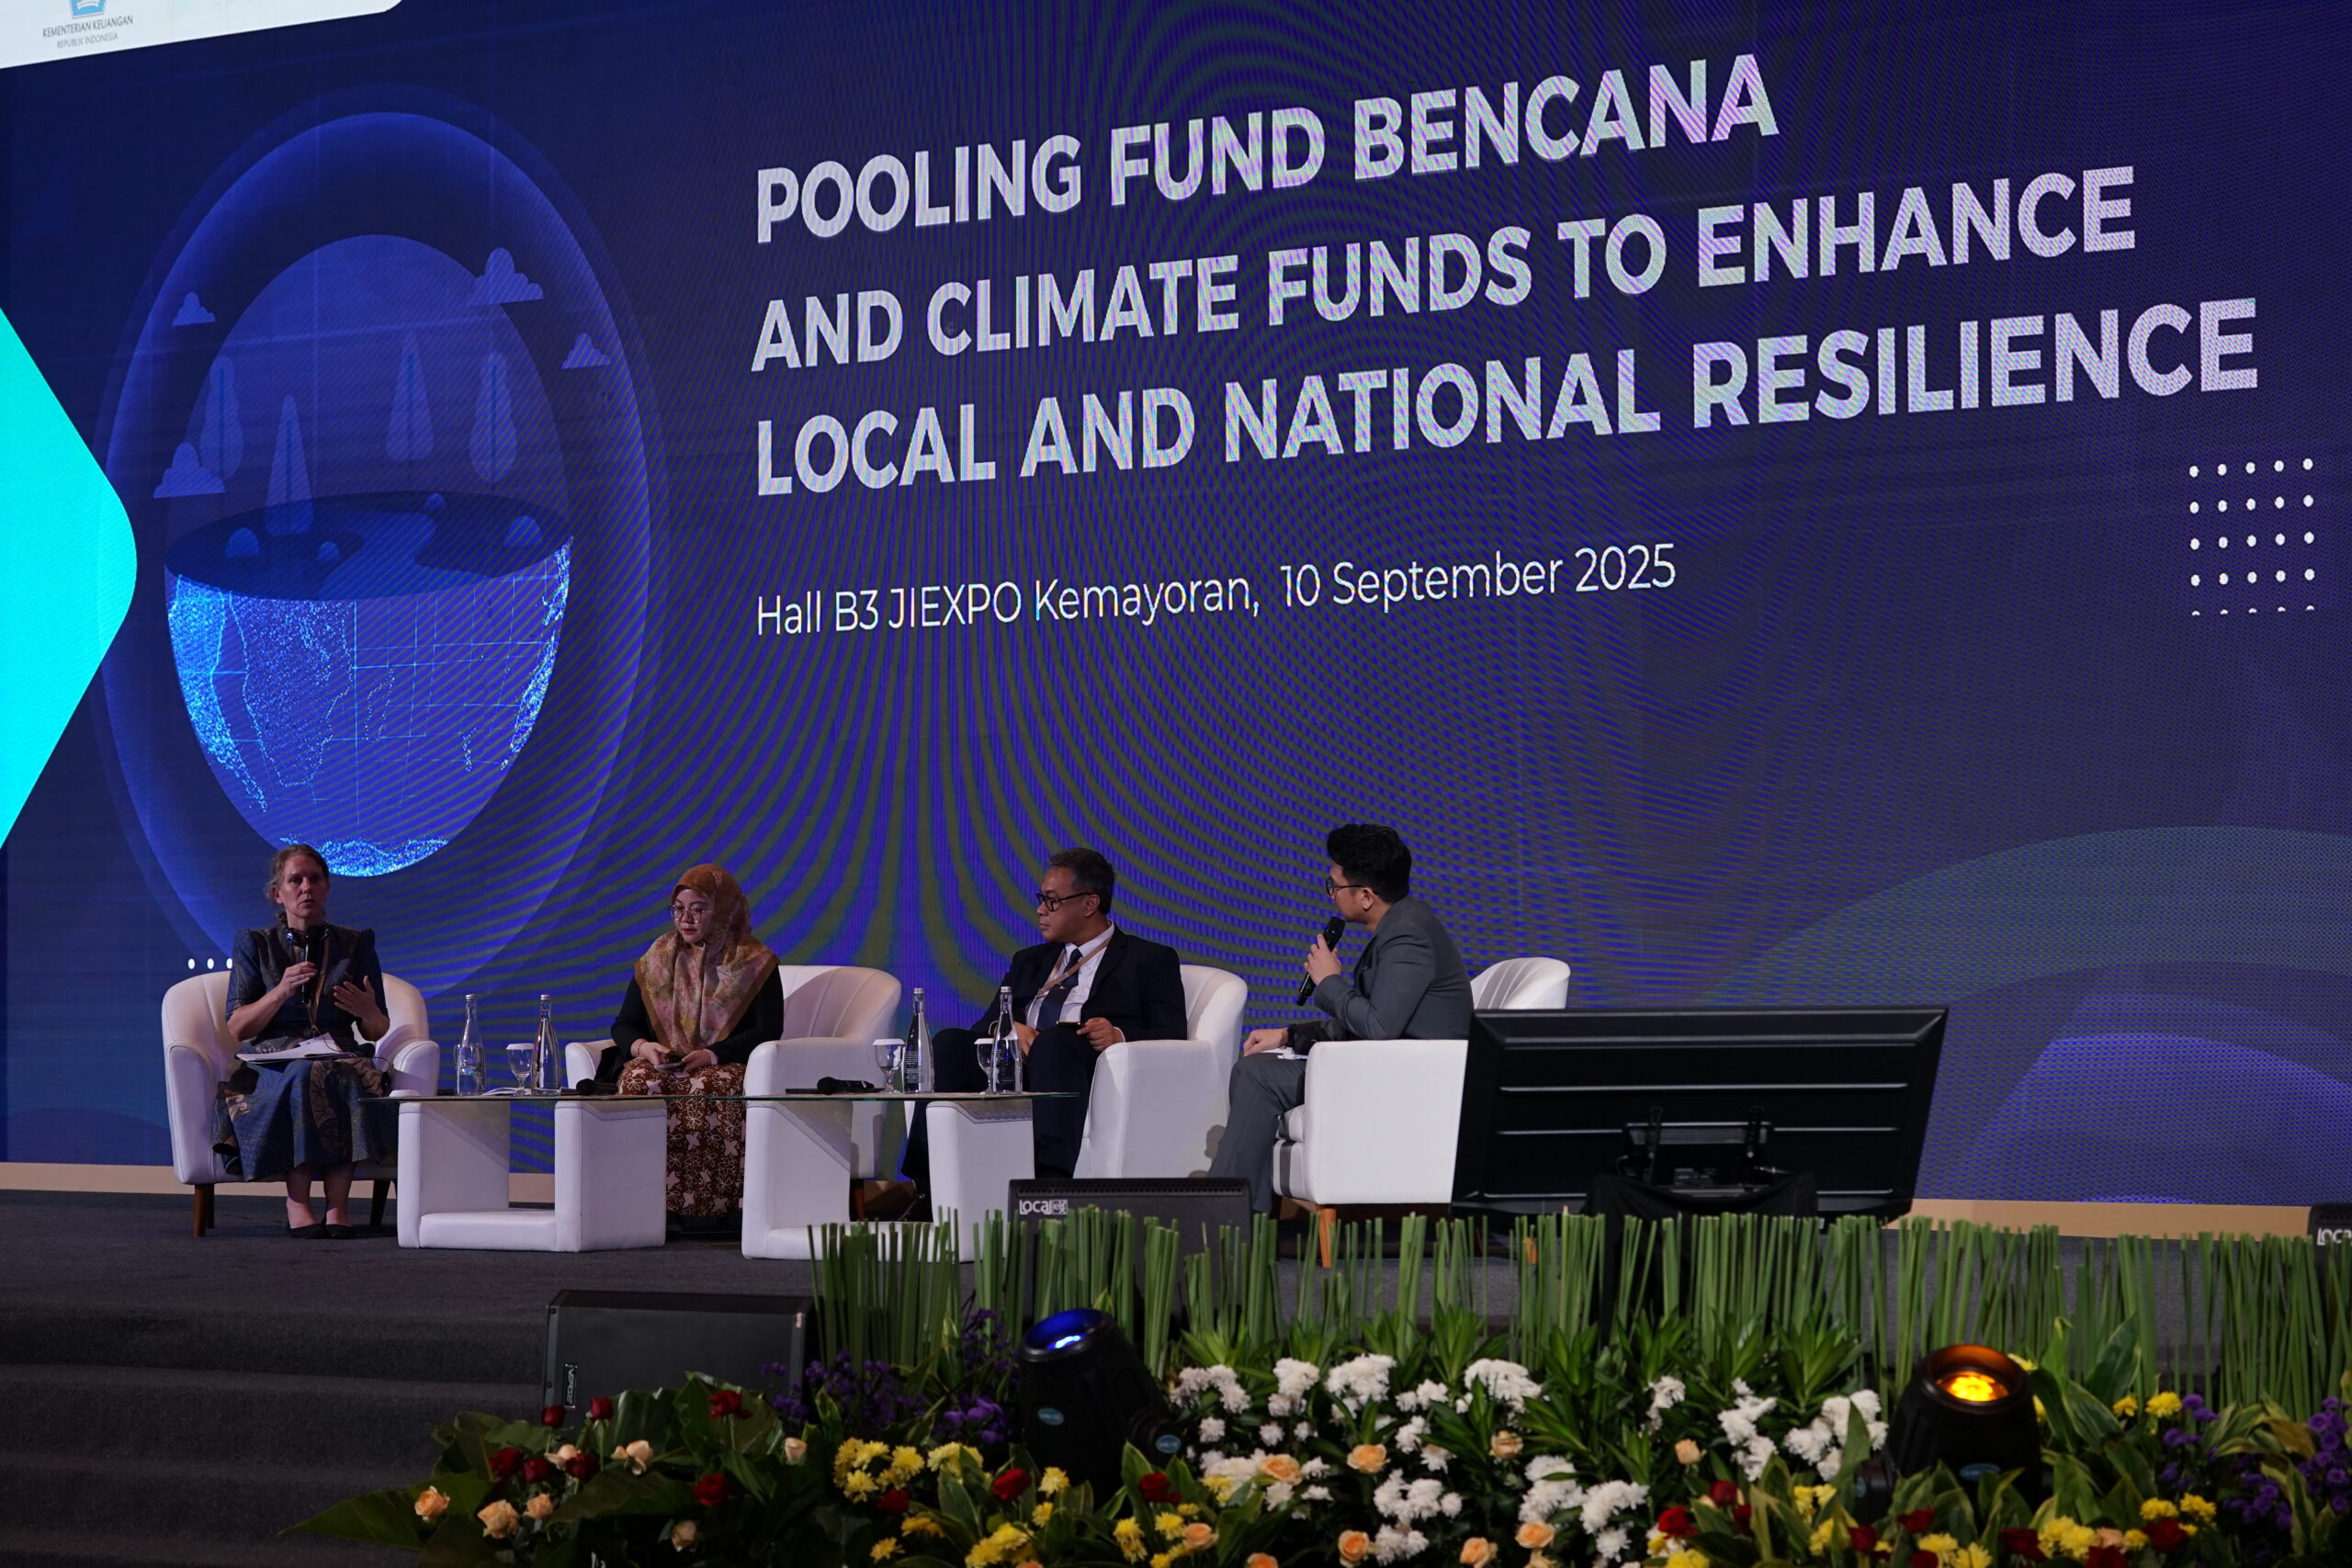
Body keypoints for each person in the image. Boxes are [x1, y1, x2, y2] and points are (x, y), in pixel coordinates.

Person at [1209, 824, 1471, 1213]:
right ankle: (1240, 1210)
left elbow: (1378, 1028)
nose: (1330, 894)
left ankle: (1226, 1215)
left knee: (1257, 1075)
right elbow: (1369, 1021)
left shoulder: (1408, 936)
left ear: (1365, 895)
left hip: (1411, 1080)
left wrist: (1329, 981)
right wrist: (1288, 1035)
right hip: (1389, 1065)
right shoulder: (1401, 925)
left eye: (1334, 886)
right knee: (1259, 1066)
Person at [903, 848, 1187, 1197]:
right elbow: (986, 1023)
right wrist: (1006, 1028)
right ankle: (926, 1187)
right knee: (949, 1042)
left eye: (1052, 901)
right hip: (1016, 1064)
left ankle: (1047, 1189)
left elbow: (1173, 1031)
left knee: (1054, 1042)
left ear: (1089, 903)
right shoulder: (1030, 960)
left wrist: (1117, 1034)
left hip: (1081, 1064)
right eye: (1042, 900)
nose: (1040, 910)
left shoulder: (1148, 959)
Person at [215, 843, 399, 1238]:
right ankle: (297, 1203)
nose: (306, 888)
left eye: (315, 879)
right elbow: (238, 1027)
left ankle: (338, 1208)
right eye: (295, 880)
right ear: (277, 893)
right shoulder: (256, 943)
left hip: (339, 1054)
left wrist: (368, 1010)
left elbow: (375, 1030)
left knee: (342, 1076)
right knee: (303, 1075)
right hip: (275, 1061)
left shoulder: (356, 945)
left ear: (327, 888)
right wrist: (280, 992)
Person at [597, 864, 786, 1228]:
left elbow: (768, 1030)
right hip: (664, 1061)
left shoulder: (755, 960)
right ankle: (636, 1203)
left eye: (698, 909)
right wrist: (643, 1048)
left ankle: (704, 1211)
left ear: (724, 909)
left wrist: (714, 1054)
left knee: (707, 1087)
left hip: (725, 1063)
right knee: (638, 1079)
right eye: (679, 909)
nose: (686, 919)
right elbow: (624, 1023)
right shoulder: (659, 955)